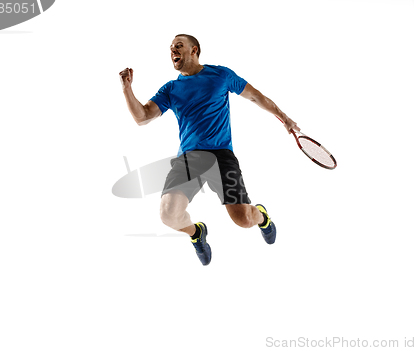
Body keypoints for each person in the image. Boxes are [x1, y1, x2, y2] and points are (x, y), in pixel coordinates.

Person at [119, 34, 299, 265]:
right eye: (171, 48)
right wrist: (127, 89)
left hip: (221, 155)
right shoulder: (171, 89)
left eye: (179, 46)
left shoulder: (220, 75)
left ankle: (261, 216)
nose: (173, 50)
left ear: (194, 50)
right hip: (190, 158)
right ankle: (196, 232)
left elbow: (255, 96)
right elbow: (142, 117)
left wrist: (284, 118)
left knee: (244, 220)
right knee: (168, 214)